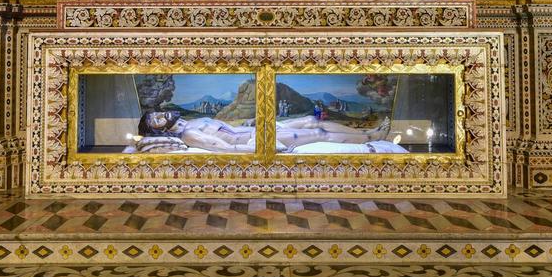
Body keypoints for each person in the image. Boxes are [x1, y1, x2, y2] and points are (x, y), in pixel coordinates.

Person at [132, 110, 393, 154]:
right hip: (261, 138)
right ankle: (372, 138)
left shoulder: (193, 120)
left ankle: (367, 130)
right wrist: (266, 147)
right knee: (321, 132)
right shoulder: (189, 135)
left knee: (308, 120)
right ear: (159, 130)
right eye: (155, 120)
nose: (159, 116)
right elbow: (227, 147)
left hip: (257, 128)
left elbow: (228, 125)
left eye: (156, 113)